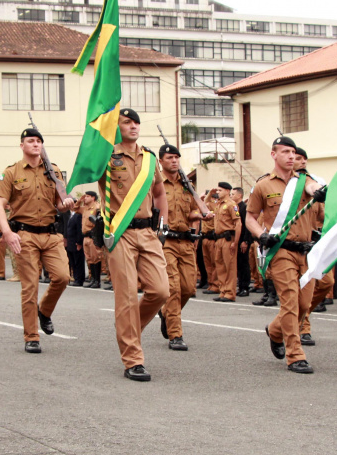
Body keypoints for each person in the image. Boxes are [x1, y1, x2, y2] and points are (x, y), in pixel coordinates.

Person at [97, 109, 169, 381]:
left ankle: (129, 330)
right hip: (120, 231)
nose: (133, 126)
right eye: (127, 122)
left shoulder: (150, 158)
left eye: (136, 122)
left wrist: (163, 224)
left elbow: (160, 193)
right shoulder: (106, 156)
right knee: (126, 296)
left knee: (161, 291)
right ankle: (133, 359)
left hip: (148, 232)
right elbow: (89, 166)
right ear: (117, 127)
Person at [245, 135, 324, 374]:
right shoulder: (263, 185)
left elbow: (313, 188)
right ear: (274, 155)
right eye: (286, 152)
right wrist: (261, 235)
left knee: (303, 304)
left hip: (307, 251)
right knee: (289, 301)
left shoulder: (306, 181)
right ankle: (295, 355)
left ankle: (275, 331)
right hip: (281, 251)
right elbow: (250, 216)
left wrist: (319, 191)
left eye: (294, 153)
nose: (291, 156)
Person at [0, 127, 73, 353]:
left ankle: (44, 311)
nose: (36, 144)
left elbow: (59, 202)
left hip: (51, 234)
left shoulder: (53, 170)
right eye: (30, 141)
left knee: (62, 277)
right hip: (24, 235)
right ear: (22, 145)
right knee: (30, 287)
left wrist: (67, 204)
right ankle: (31, 336)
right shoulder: (11, 172)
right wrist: (7, 232)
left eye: (39, 141)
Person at [156, 143, 204, 351]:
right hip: (165, 241)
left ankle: (166, 313)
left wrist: (200, 214)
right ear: (161, 161)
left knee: (188, 288)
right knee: (173, 288)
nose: (174, 160)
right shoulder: (155, 183)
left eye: (177, 157)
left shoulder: (187, 185)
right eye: (169, 158)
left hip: (185, 241)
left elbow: (192, 212)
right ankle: (175, 334)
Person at [212, 182, 241, 302]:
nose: (217, 192)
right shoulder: (218, 205)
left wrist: (236, 242)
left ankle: (230, 292)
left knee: (230, 267)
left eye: (220, 190)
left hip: (228, 239)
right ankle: (223, 290)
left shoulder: (231, 205)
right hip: (219, 238)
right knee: (220, 266)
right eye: (217, 190)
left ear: (227, 191)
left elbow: (238, 224)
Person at [80, 191, 104, 288]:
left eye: (87, 196)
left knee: (96, 258)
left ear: (93, 198)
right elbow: (74, 208)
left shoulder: (97, 207)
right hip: (85, 236)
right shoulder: (85, 208)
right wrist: (80, 200)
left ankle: (97, 281)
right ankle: (93, 279)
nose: (85, 198)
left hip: (92, 236)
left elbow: (99, 222)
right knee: (90, 259)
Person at [233, 187, 253, 298]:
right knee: (239, 264)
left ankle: (245, 287)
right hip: (238, 239)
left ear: (239, 195)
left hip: (243, 239)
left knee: (244, 264)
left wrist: (245, 240)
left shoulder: (244, 208)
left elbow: (247, 226)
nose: (231, 196)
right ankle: (240, 287)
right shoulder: (236, 207)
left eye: (233, 194)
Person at [66, 201, 85, 287]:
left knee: (78, 262)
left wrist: (79, 242)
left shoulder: (78, 215)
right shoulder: (71, 215)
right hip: (70, 242)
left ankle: (79, 279)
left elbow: (79, 230)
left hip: (76, 242)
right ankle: (76, 277)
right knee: (73, 262)